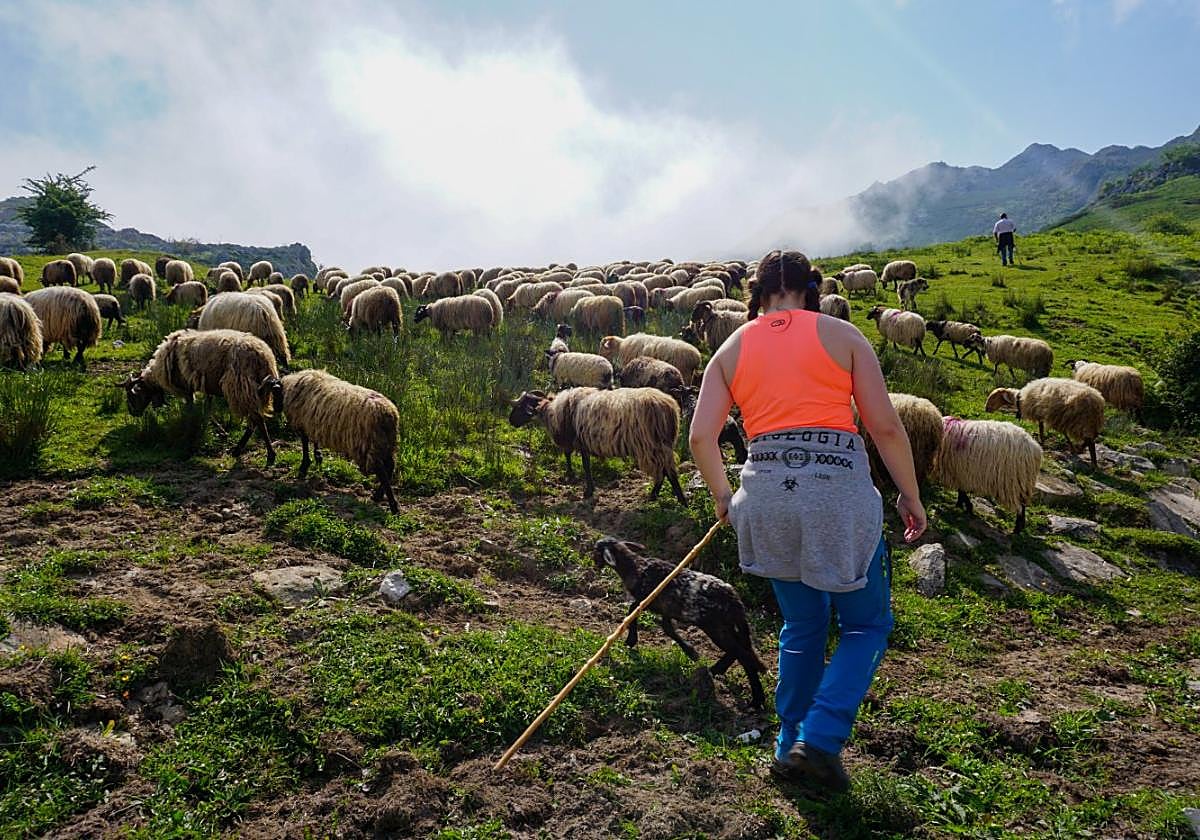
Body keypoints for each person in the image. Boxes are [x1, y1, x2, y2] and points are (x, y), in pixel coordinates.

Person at [688, 249, 926, 791]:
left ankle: (786, 744)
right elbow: (885, 427)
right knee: (866, 623)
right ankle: (818, 738)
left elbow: (701, 437)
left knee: (802, 623)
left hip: (765, 498)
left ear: (758, 293)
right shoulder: (842, 337)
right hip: (836, 497)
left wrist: (724, 497)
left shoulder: (730, 347)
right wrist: (909, 495)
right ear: (810, 288)